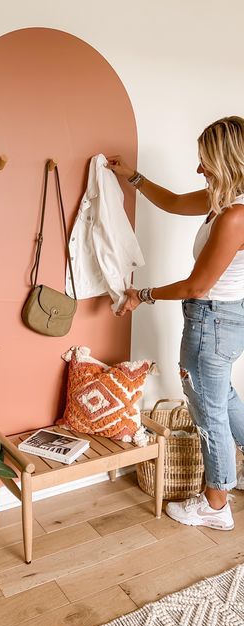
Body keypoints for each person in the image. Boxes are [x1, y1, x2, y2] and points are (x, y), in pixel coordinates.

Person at [108, 115, 244, 531]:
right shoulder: (225, 199)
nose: (198, 169)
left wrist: (141, 295)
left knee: (209, 412)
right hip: (229, 319)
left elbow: (197, 286)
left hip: (211, 320)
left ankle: (216, 502)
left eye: (204, 161)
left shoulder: (234, 215)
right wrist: (133, 178)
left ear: (226, 161)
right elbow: (171, 202)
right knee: (225, 399)